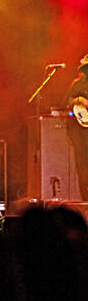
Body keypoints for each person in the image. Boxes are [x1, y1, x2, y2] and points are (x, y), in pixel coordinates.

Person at [65, 54, 88, 200]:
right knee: (82, 166)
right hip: (79, 131)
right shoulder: (77, 84)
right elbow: (67, 101)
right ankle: (85, 198)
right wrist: (77, 101)